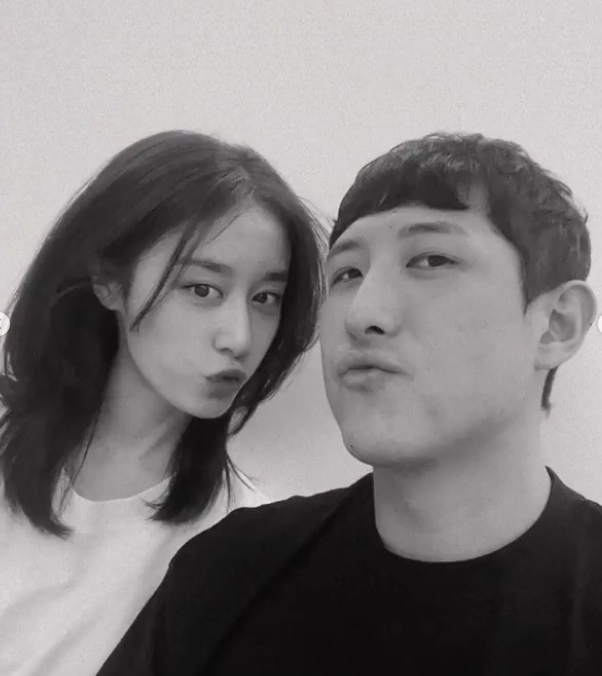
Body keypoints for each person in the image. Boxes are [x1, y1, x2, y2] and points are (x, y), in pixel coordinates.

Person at [98, 132, 601, 676]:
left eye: (431, 259)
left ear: (557, 323)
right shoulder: (224, 570)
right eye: (347, 274)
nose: (362, 313)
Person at [0, 130, 326, 676]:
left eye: (265, 298)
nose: (239, 336)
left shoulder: (240, 543)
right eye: (202, 289)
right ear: (109, 280)